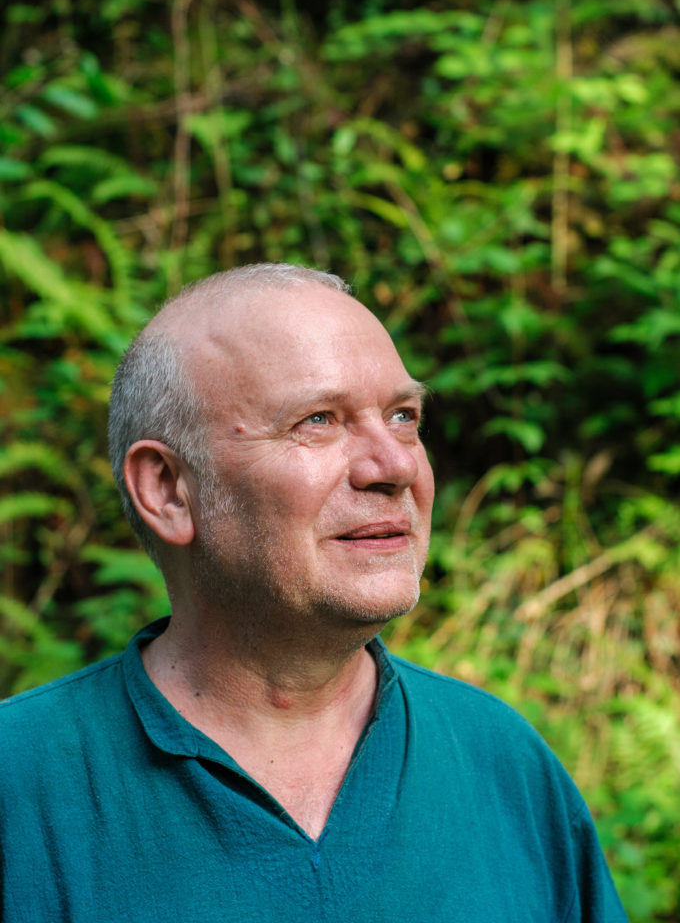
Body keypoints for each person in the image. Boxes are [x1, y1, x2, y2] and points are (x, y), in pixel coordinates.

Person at [0, 263, 628, 922]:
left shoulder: (502, 762)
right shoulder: (22, 784)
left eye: (404, 416)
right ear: (167, 490)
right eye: (318, 420)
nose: (395, 465)